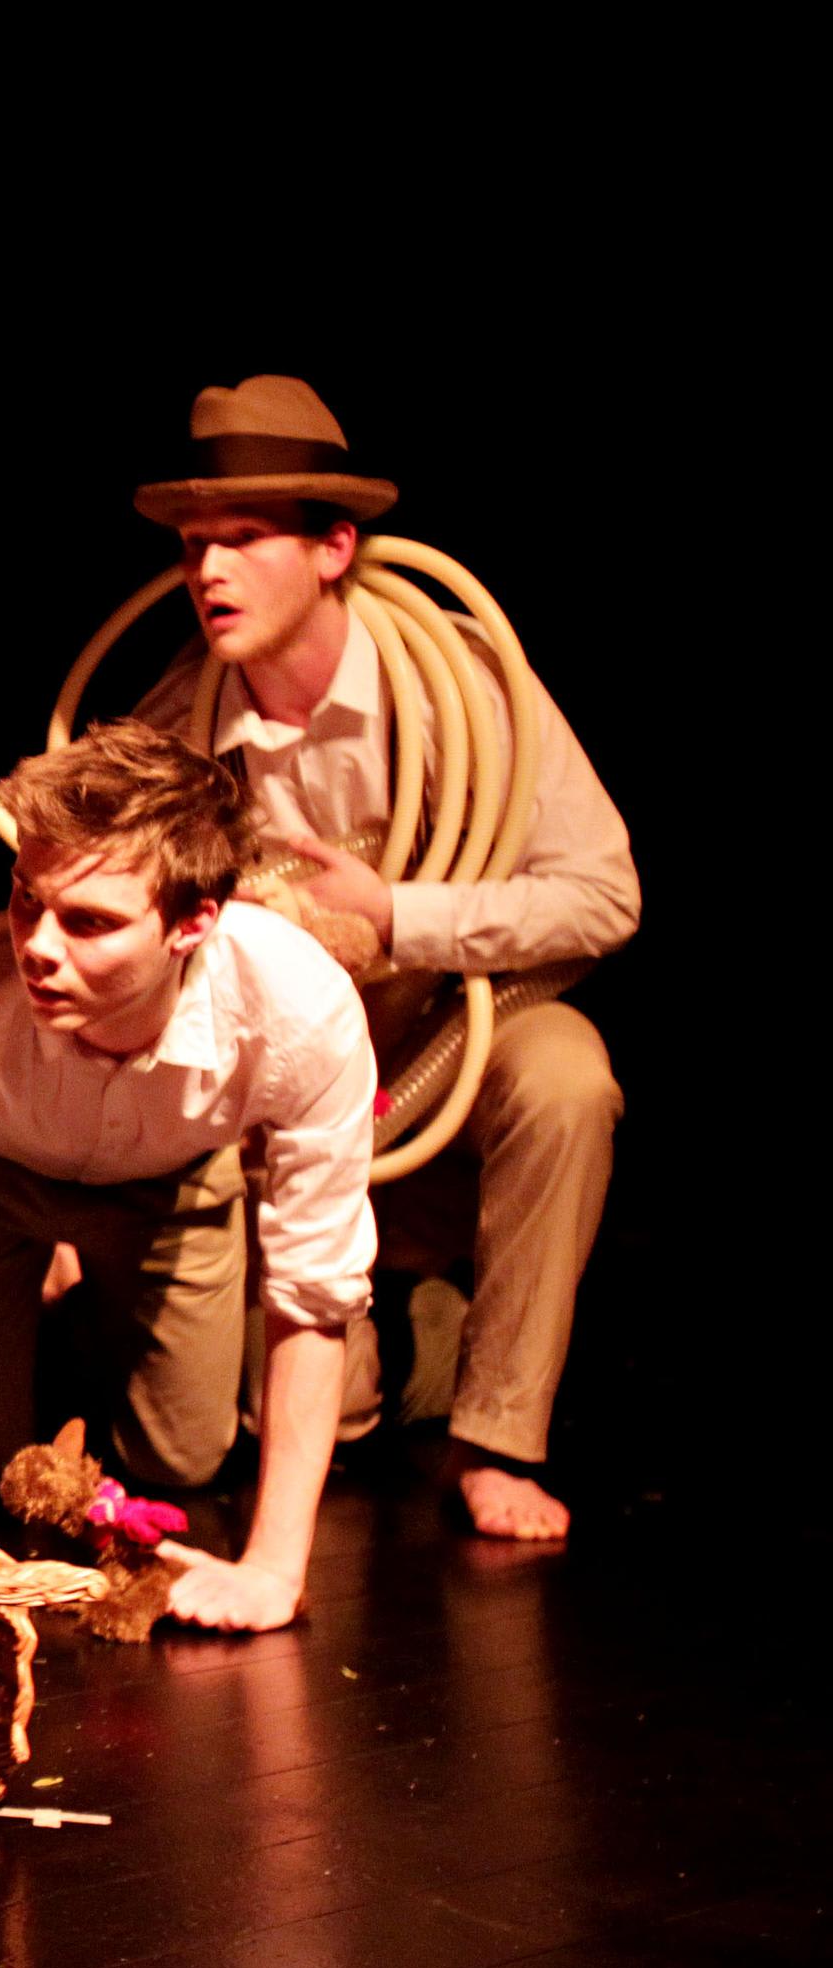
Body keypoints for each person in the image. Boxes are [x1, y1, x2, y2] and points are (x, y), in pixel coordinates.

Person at [125, 376, 637, 1541]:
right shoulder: (182, 718)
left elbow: (604, 894)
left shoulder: (460, 682)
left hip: (447, 1040)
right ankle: (416, 1333)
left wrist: (394, 916)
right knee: (290, 1425)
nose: (208, 570)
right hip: (281, 1101)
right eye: (195, 544)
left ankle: (495, 1439)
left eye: (244, 538)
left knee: (564, 1074)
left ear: (332, 548)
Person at [0, 721, 374, 1634]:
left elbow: (315, 1286)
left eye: (90, 922)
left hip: (171, 1185)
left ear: (192, 922)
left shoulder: (299, 1009)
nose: (37, 944)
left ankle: (80, 1317)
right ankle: (35, 1310)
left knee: (183, 1460)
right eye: (27, 899)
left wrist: (273, 1567)